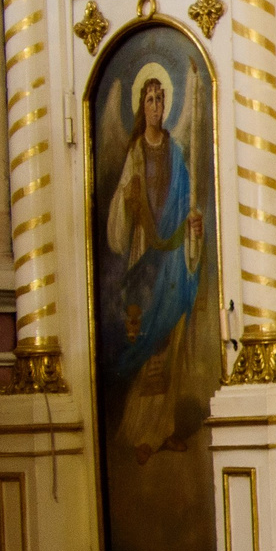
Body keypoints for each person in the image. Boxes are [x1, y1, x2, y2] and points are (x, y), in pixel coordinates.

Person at [102, 63, 206, 464]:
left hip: (173, 257)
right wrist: (128, 206)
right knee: (148, 342)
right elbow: (119, 219)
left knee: (169, 340)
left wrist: (195, 225)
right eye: (150, 99)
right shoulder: (135, 153)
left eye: (162, 98)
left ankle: (162, 429)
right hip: (146, 254)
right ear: (140, 107)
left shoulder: (177, 152)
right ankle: (142, 429)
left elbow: (186, 205)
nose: (157, 105)